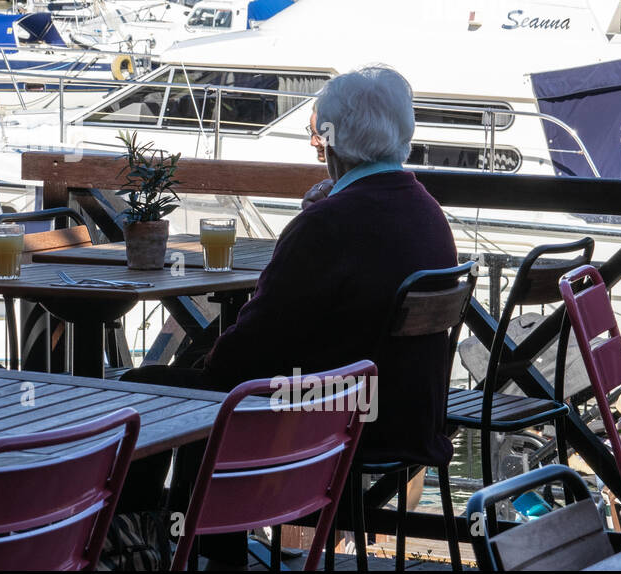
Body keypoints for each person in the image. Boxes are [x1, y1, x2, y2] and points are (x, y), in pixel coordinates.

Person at [120, 65, 458, 517]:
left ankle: (146, 548)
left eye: (316, 133)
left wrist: (210, 367)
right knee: (205, 376)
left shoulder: (328, 224)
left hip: (338, 415)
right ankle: (202, 551)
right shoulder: (426, 210)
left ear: (332, 141)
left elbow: (254, 346)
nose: (314, 143)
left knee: (151, 389)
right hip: (405, 415)